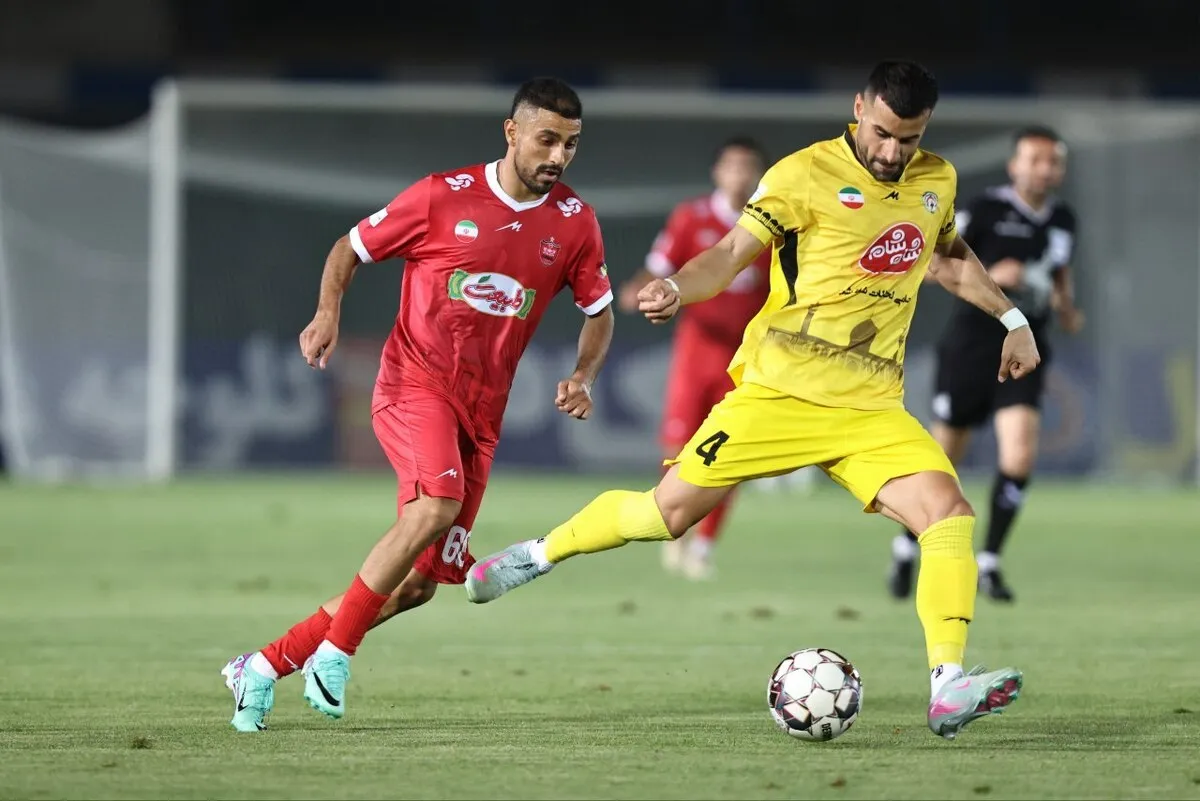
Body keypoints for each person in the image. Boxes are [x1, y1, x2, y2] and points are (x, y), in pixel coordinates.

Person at [466, 60, 1040, 741]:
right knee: (665, 514)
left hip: (871, 409)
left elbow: (948, 257)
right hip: (778, 395)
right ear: (859, 109)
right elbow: (732, 252)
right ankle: (536, 554)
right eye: (882, 134)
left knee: (948, 515)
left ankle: (948, 685)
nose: (891, 152)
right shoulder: (803, 174)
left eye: (907, 139)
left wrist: (1012, 318)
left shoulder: (936, 180)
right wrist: (677, 287)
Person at [220, 77, 615, 732]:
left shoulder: (575, 222)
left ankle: (260, 666)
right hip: (414, 384)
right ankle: (335, 654)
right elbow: (349, 248)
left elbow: (599, 311)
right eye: (547, 140)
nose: (558, 157)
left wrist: (584, 374)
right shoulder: (441, 196)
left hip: (483, 414)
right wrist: (327, 312)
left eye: (570, 145)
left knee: (417, 584)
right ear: (511, 131)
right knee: (435, 506)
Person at [887, 126, 1082, 604]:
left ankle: (990, 561)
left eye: (1053, 161)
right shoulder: (984, 209)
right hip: (972, 348)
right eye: (1034, 160)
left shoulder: (1063, 219)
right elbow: (933, 266)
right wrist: (995, 277)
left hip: (1026, 350)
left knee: (1019, 456)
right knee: (943, 460)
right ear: (1014, 165)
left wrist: (1065, 307)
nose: (1044, 169)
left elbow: (1060, 273)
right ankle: (907, 546)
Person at [617, 137, 772, 580]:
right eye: (732, 166)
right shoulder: (692, 217)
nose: (739, 175)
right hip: (697, 347)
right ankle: (674, 533)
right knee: (677, 447)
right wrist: (642, 287)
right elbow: (660, 264)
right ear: (717, 172)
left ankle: (704, 545)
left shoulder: (774, 224)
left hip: (747, 354)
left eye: (748, 167)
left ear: (759, 175)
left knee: (730, 451)